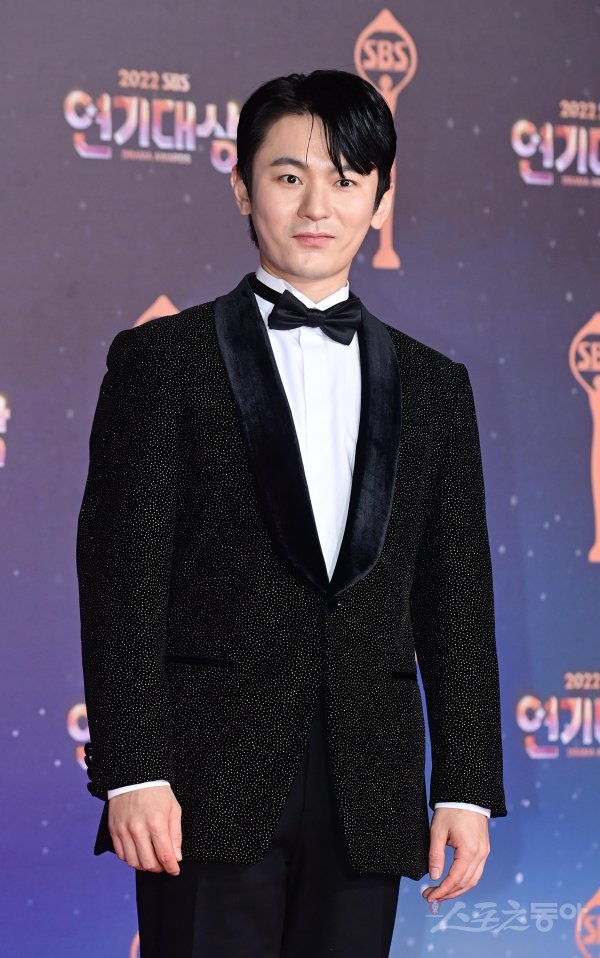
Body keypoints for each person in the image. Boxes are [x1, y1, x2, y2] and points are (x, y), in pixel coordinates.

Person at [76, 69, 507, 958]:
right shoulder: (163, 362)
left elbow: (456, 597)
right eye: (288, 176)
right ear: (242, 187)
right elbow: (123, 581)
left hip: (370, 786)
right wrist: (134, 769)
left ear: (380, 198)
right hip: (202, 784)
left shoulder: (436, 386)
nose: (317, 206)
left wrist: (465, 785)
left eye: (346, 180)